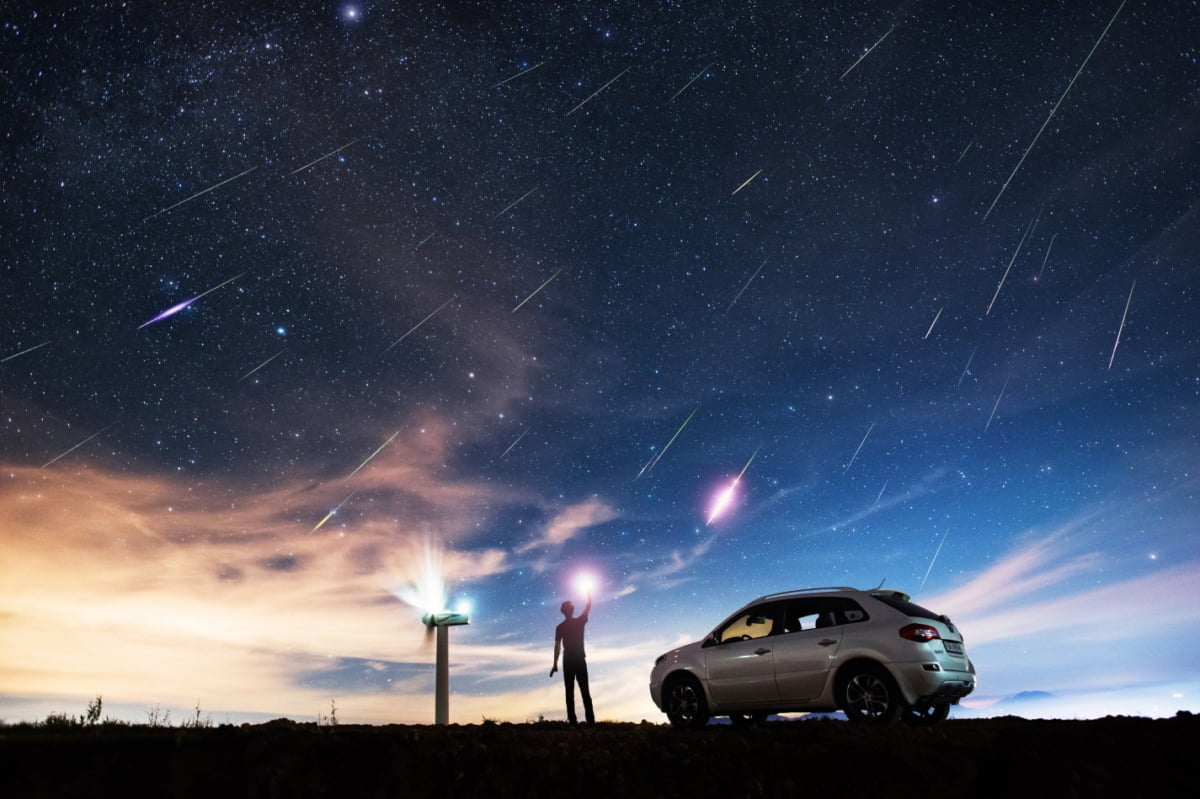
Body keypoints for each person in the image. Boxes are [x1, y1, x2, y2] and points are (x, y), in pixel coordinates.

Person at [550, 593, 594, 725]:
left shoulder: (560, 627)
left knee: (569, 693)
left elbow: (557, 647)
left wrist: (555, 664)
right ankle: (591, 722)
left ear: (563, 612)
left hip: (568, 660)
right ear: (572, 610)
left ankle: (573, 723)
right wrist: (588, 594)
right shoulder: (580, 621)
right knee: (585, 691)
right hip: (579, 659)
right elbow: (588, 606)